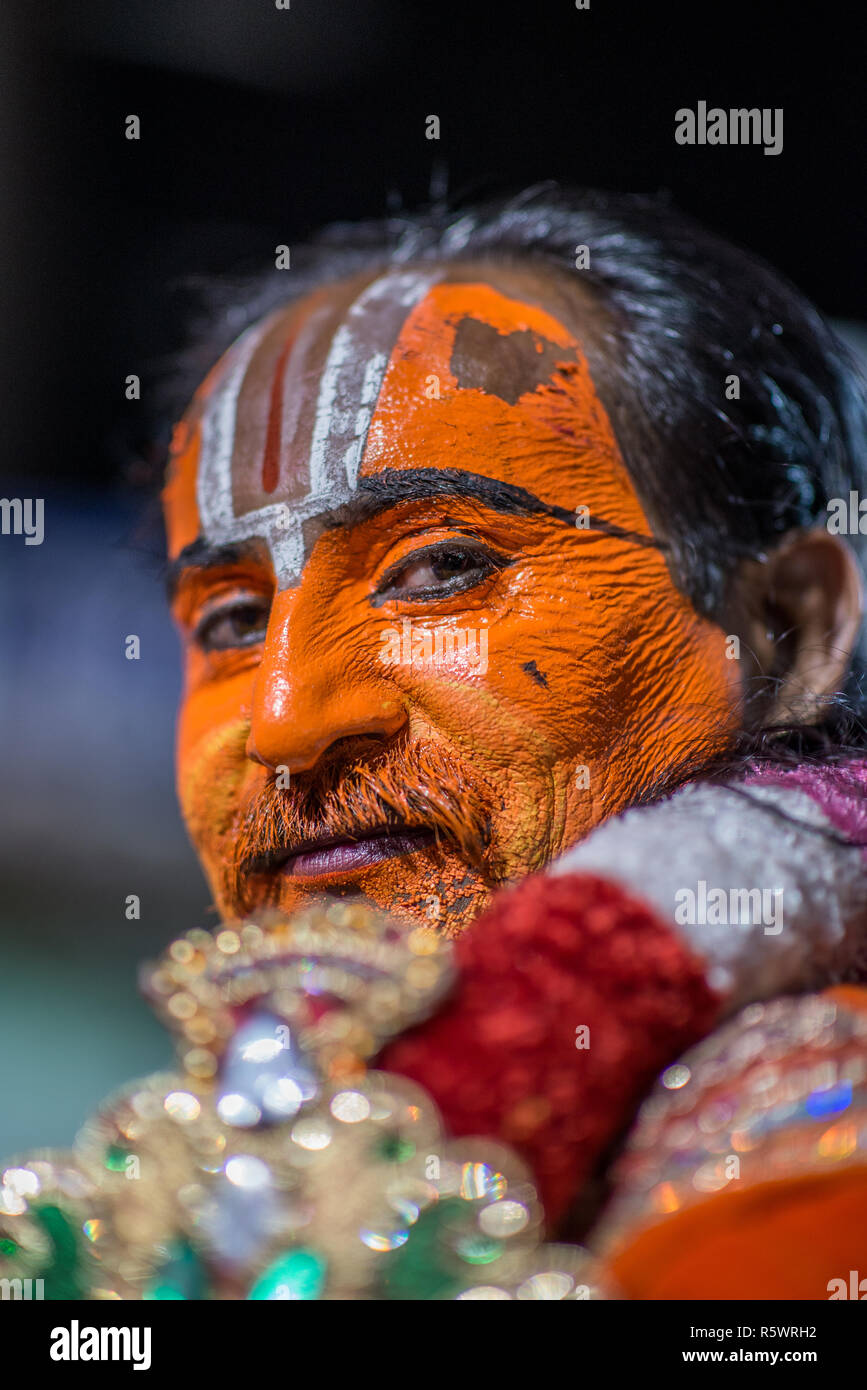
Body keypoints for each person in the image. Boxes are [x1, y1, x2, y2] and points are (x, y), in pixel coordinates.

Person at [158, 186, 867, 1297]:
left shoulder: (808, 1191)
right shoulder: (213, 1176)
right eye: (234, 622)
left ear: (787, 627)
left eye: (440, 567)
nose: (287, 720)